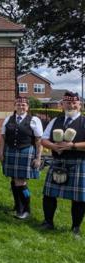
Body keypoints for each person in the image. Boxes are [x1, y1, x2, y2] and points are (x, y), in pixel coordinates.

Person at [41, 91, 85, 237]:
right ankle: (48, 222)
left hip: (78, 162)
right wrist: (54, 147)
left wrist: (72, 145)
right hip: (58, 161)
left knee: (78, 198)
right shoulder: (55, 121)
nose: (71, 105)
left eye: (74, 103)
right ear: (62, 104)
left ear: (80, 105)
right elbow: (44, 139)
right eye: (68, 103)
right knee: (49, 194)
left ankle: (75, 228)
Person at [0, 96, 43, 219]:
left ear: (28, 107)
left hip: (26, 151)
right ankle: (18, 206)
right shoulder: (9, 119)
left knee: (20, 182)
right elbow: (3, 137)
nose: (21, 107)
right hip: (10, 151)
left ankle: (26, 209)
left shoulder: (34, 120)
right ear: (15, 106)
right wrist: (1, 152)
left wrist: (38, 157)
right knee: (13, 180)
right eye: (18, 104)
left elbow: (39, 140)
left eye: (23, 105)